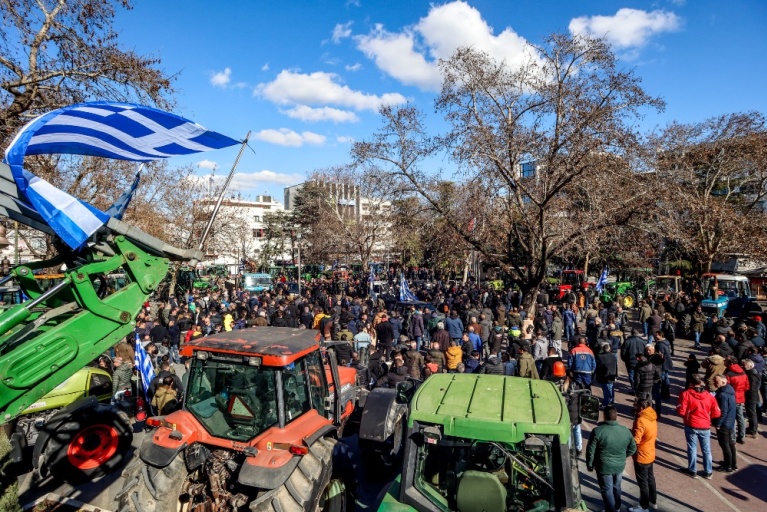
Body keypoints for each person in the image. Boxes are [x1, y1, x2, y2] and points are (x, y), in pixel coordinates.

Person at [586, 406, 637, 512]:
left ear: (604, 416)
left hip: (604, 466)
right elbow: (633, 448)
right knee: (617, 486)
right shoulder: (625, 431)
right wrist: (623, 456)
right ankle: (617, 507)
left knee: (607, 489)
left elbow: (591, 450)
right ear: (616, 416)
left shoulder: (598, 431)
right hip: (619, 465)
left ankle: (611, 510)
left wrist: (590, 464)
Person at [676, 374, 721, 479]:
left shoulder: (686, 394)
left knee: (692, 448)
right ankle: (708, 471)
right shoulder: (709, 396)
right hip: (705, 425)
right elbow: (717, 413)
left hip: (691, 424)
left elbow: (681, 410)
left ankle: (692, 470)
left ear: (690, 383)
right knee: (706, 450)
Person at [630, 398, 658, 512]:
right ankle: (653, 500)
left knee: (643, 482)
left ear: (641, 407)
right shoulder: (652, 416)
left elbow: (636, 439)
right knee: (650, 478)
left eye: (636, 405)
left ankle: (644, 506)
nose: (634, 407)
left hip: (642, 454)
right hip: (650, 451)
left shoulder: (641, 420)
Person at [713, 374, 738, 473]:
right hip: (730, 421)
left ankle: (728, 466)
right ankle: (733, 463)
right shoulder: (730, 391)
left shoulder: (722, 394)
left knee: (724, 444)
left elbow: (723, 411)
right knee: (730, 443)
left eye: (717, 381)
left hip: (724, 423)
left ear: (723, 382)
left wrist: (718, 423)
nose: (715, 383)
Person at [622, 328, 647, 392]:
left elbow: (623, 352)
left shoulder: (627, 341)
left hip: (630, 361)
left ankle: (634, 389)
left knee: (632, 375)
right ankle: (639, 388)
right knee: (640, 375)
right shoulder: (643, 342)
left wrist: (624, 359)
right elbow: (646, 352)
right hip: (640, 361)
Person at [742, 358, 760, 438]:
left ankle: (753, 431)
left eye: (745, 365)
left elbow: (752, 387)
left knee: (752, 413)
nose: (743, 366)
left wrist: (747, 390)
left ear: (750, 365)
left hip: (751, 396)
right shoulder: (753, 373)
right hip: (752, 395)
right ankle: (751, 428)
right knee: (751, 413)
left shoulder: (752, 375)